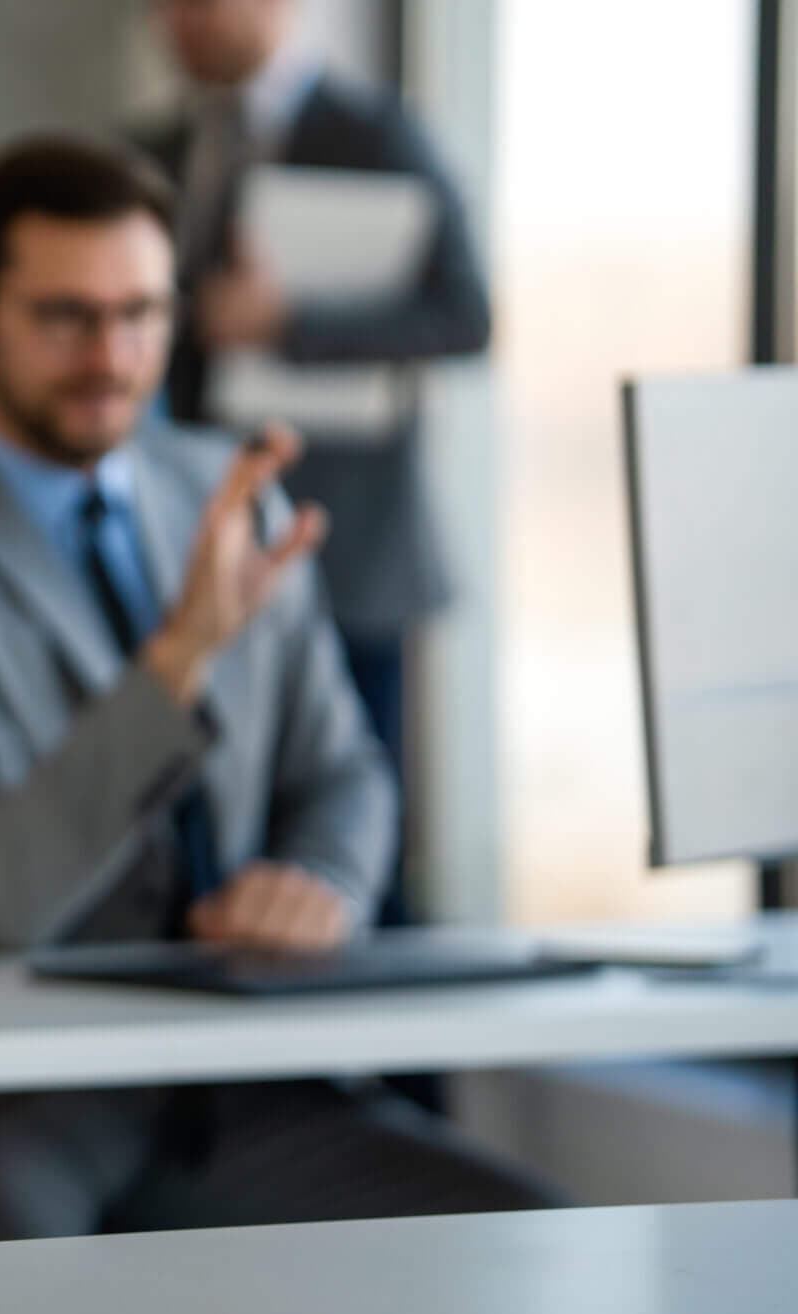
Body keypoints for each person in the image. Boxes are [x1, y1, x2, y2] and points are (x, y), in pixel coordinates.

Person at [0, 137, 554, 1247]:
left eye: (143, 313)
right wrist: (179, 655)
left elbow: (339, 768)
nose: (112, 354)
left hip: (232, 1088)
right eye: (65, 316)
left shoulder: (224, 490)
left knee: (527, 1242)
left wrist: (320, 876)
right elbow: (10, 885)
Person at [136, 0, 492, 924]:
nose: (177, 23)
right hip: (207, 549)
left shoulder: (375, 132)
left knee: (356, 843)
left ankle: (397, 1068)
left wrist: (287, 323)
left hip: (350, 552)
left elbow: (466, 313)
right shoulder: (159, 148)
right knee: (229, 842)